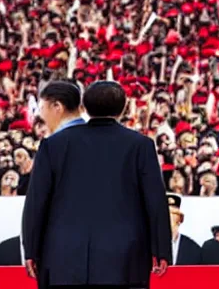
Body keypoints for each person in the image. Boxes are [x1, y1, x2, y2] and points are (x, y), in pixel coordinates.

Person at [23, 81, 172, 288]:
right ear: (123, 107)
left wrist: (30, 250)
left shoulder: (53, 145)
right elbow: (155, 200)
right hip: (124, 258)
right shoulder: (141, 145)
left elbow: (36, 202)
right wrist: (162, 249)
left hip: (63, 258)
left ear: (85, 106)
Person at [167, 193, 201, 266]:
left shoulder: (193, 249)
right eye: (165, 215)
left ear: (180, 219)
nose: (169, 220)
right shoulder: (149, 247)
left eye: (173, 215)